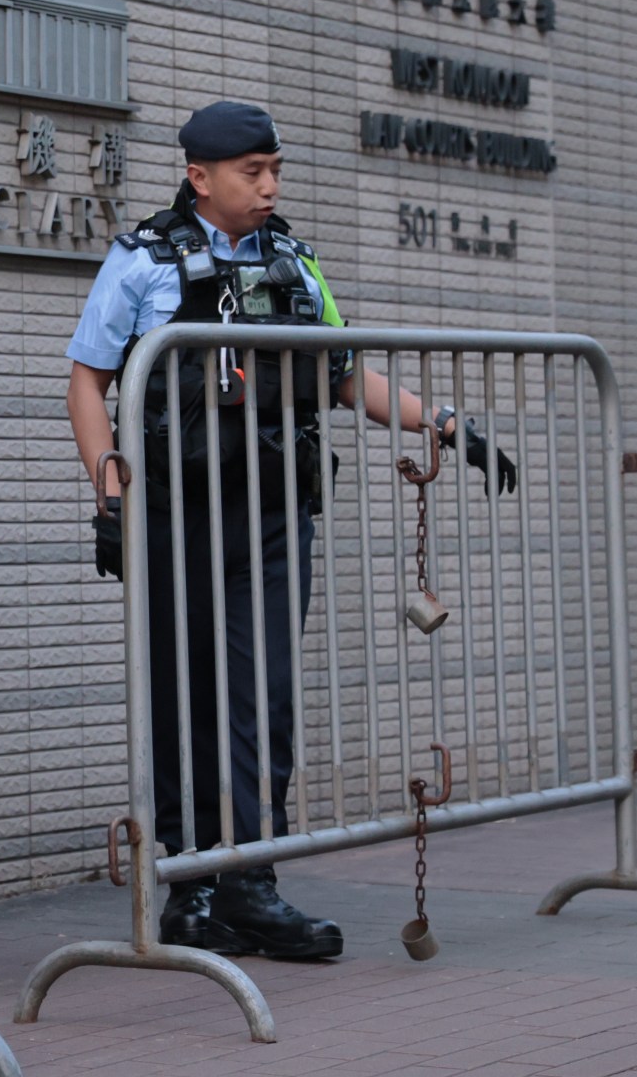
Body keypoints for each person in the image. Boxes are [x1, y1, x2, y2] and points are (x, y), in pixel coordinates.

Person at [65, 101, 517, 960]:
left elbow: (345, 377)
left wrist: (447, 426)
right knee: (181, 697)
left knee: (263, 699)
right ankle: (188, 887)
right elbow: (87, 382)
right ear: (199, 176)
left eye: (275, 170)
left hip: (272, 515)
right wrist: (108, 490)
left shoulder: (295, 263)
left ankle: (251, 883)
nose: (270, 186)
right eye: (253, 172)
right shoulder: (145, 261)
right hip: (174, 515)